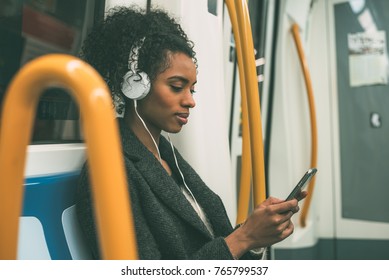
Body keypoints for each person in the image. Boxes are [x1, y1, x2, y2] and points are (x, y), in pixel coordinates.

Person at [76, 5, 306, 260]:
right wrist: (245, 237)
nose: (190, 101)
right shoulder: (108, 170)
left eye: (192, 90)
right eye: (176, 87)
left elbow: (216, 241)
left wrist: (256, 238)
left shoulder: (167, 155)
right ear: (135, 86)